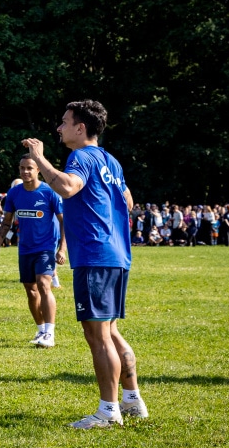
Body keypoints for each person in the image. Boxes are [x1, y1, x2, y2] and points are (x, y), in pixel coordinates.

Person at [22, 99, 148, 429]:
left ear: (81, 128)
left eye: (64, 122)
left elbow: (66, 186)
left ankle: (108, 412)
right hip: (116, 255)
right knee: (110, 331)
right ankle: (132, 400)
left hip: (95, 255)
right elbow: (128, 200)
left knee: (97, 335)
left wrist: (39, 158)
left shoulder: (80, 157)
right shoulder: (110, 160)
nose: (59, 128)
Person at [0, 156, 67, 348]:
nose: (25, 172)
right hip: (25, 249)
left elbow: (63, 221)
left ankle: (50, 332)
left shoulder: (49, 192)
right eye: (22, 168)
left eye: (29, 168)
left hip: (46, 247)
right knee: (31, 291)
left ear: (38, 170)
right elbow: (7, 221)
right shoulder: (14, 193)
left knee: (44, 285)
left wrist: (62, 248)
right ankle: (41, 329)